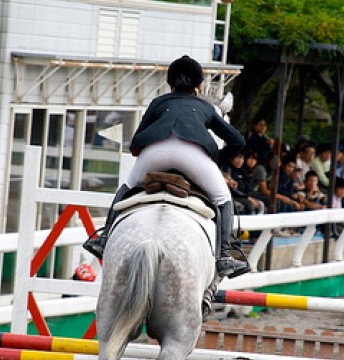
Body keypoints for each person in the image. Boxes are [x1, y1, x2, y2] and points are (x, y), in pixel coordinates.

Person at [83, 55, 250, 279]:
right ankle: (224, 255)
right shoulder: (206, 107)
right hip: (193, 154)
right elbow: (238, 140)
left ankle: (103, 239)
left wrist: (146, 154)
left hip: (155, 154)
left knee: (127, 186)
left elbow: (136, 142)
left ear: (170, 83)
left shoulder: (159, 102)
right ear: (199, 86)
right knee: (222, 198)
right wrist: (216, 160)